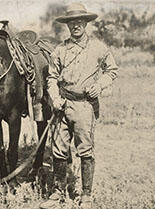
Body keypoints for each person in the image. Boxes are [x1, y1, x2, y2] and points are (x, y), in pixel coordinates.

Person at [39, 2, 118, 209]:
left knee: (85, 151)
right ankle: (57, 193)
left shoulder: (98, 48)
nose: (76, 26)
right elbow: (52, 77)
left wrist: (99, 85)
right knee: (58, 150)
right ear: (67, 25)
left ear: (86, 23)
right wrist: (54, 97)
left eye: (80, 22)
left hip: (84, 106)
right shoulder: (60, 50)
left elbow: (112, 70)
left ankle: (86, 195)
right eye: (72, 22)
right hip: (62, 104)